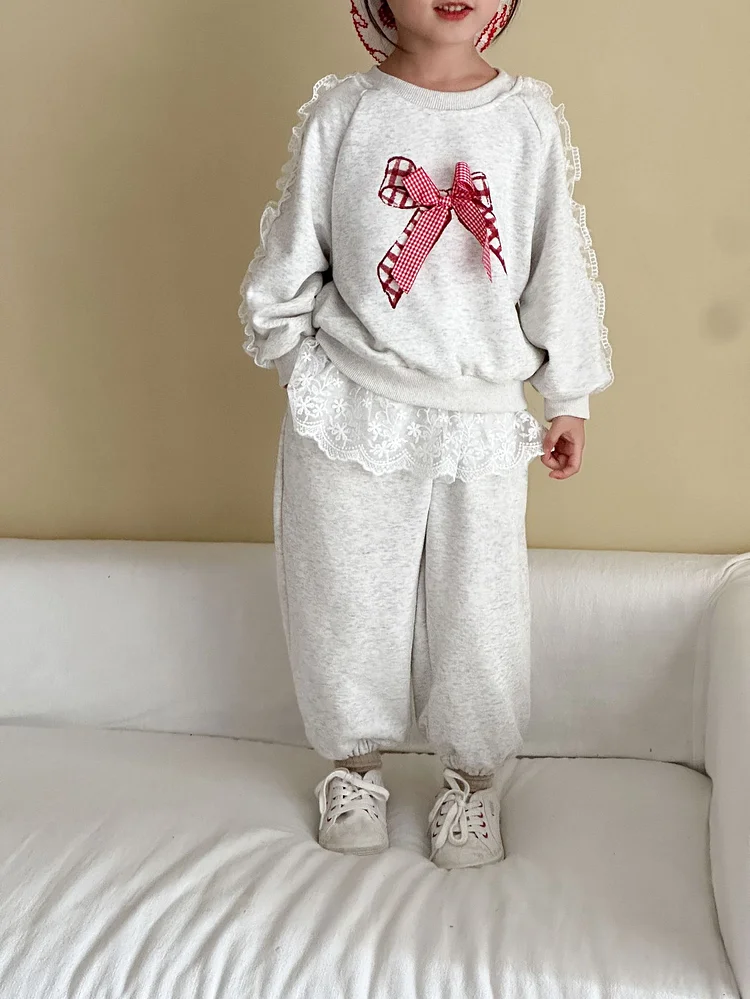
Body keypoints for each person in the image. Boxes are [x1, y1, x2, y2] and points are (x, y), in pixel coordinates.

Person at [238, 0, 614, 870]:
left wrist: (568, 396)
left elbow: (554, 261)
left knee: (479, 606)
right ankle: (353, 766)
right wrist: (298, 363)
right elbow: (295, 250)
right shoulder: (347, 114)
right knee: (343, 593)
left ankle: (473, 780)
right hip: (351, 409)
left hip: (478, 413)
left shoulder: (526, 121)